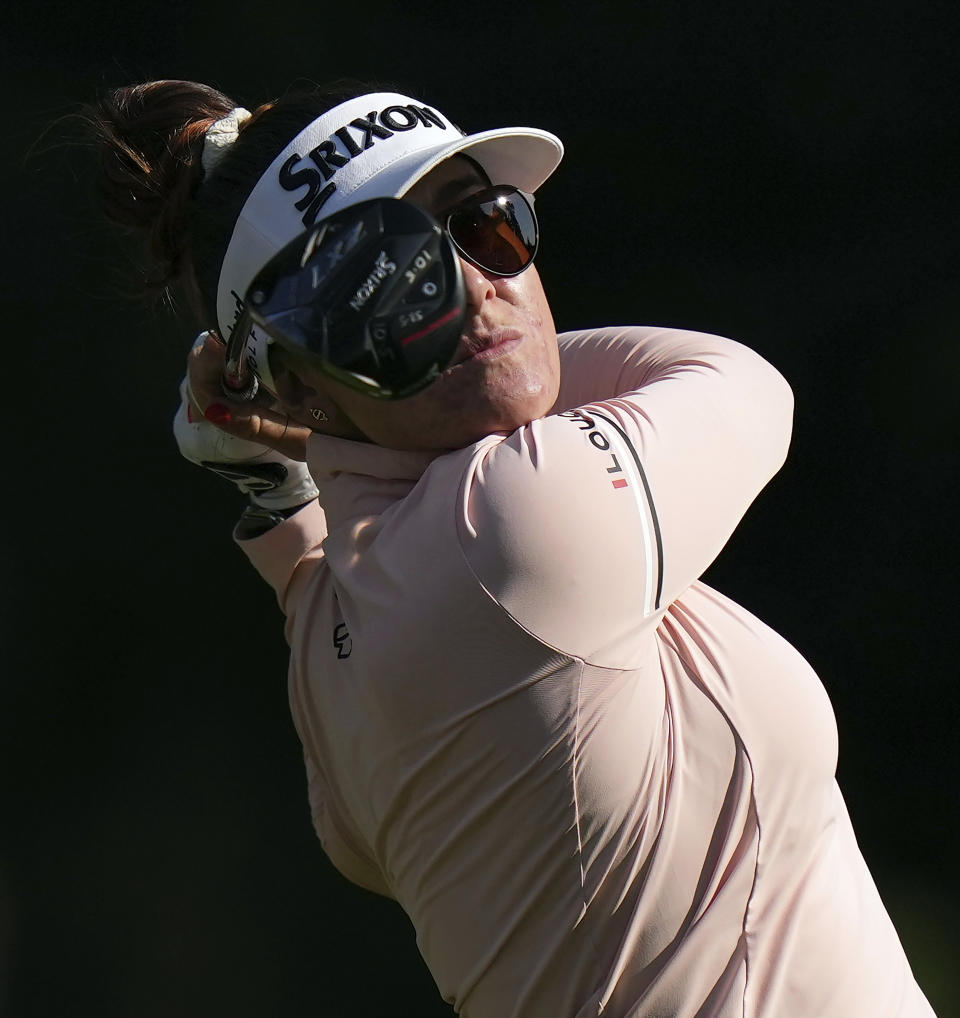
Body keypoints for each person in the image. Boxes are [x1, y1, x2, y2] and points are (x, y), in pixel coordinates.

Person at [88, 79, 937, 1018]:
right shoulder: (518, 523)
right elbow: (743, 382)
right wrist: (298, 451)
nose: (477, 288)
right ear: (293, 389)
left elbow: (321, 595)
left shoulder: (334, 656)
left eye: (486, 224)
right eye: (389, 282)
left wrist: (295, 464)